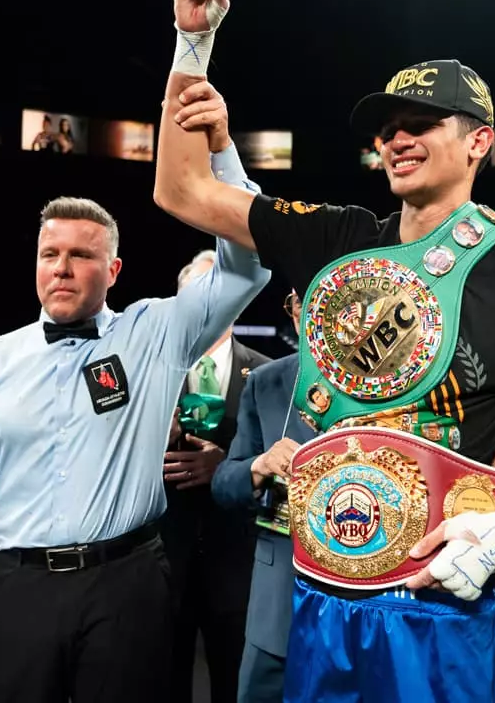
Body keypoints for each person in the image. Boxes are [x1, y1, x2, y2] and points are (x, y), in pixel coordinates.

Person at [152, 0, 495, 702]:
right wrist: (195, 41)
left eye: (419, 124)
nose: (395, 140)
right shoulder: (340, 238)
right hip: (319, 593)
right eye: (386, 130)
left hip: (442, 604)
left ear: (479, 141)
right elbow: (182, 190)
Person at [0, 160, 271, 699]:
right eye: (50, 254)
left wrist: (220, 151)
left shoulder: (154, 334)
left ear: (113, 270)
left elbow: (245, 269)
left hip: (127, 583)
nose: (62, 268)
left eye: (81, 255)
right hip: (19, 585)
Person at [162, 248, 272, 703]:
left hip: (239, 564)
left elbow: (286, 468)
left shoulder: (268, 375)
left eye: (219, 292)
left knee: (236, 685)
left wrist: (226, 467)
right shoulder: (150, 371)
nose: (208, 304)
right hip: (162, 562)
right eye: (197, 294)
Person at [210, 289, 317, 703]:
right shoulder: (267, 381)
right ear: (291, 312)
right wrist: (259, 465)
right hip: (278, 599)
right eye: (299, 303)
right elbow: (224, 483)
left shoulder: (392, 385)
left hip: (366, 599)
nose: (309, 313)